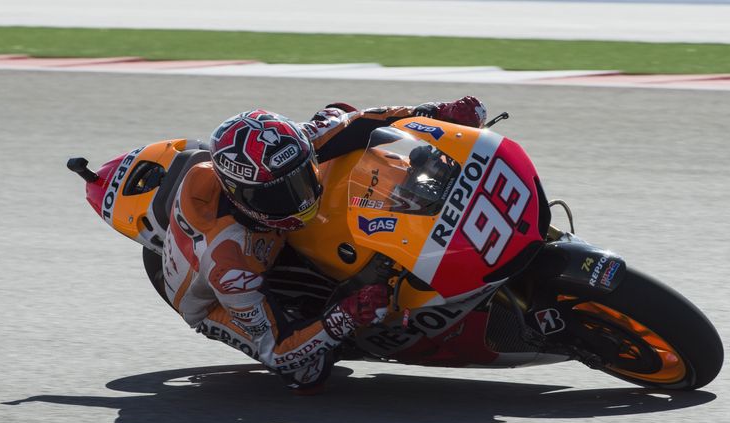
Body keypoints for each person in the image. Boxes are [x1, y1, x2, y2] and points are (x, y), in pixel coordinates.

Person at [161, 96, 487, 393]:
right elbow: (277, 349)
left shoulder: (287, 147)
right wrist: (343, 316)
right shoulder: (229, 263)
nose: (301, 198)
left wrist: (435, 112)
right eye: (280, 194)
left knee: (339, 114)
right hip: (216, 302)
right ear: (242, 196)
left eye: (302, 176)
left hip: (270, 232)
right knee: (307, 371)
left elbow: (359, 122)